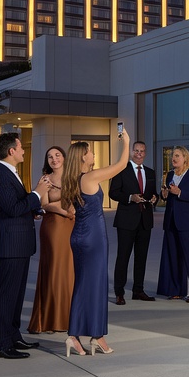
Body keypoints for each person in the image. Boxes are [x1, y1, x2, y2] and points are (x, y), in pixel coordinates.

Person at [61, 133, 131, 356]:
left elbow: (70, 209)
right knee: (96, 286)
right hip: (93, 238)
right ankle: (91, 335)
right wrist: (126, 142)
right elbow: (121, 165)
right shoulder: (89, 178)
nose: (93, 153)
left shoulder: (72, 179)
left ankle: (87, 334)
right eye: (90, 151)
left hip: (79, 236)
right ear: (83, 156)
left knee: (84, 285)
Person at [0, 132, 52, 359]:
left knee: (16, 293)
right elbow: (12, 208)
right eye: (20, 146)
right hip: (10, 244)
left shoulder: (10, 173)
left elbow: (18, 206)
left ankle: (13, 336)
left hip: (19, 243)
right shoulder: (0, 176)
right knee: (6, 294)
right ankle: (1, 345)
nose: (24, 149)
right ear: (11, 151)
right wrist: (37, 193)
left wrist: (34, 207)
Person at [28, 145, 75, 334]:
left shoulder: (74, 177)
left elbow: (80, 200)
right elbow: (44, 205)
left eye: (57, 155)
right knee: (54, 268)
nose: (54, 159)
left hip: (73, 227)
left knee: (70, 269)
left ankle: (70, 317)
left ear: (64, 157)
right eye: (50, 157)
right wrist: (63, 209)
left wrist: (67, 209)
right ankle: (50, 319)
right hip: (53, 228)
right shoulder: (45, 180)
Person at [108, 139, 158, 305]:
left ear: (145, 153)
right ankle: (119, 292)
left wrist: (154, 198)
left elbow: (154, 194)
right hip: (126, 221)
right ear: (131, 152)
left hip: (145, 221)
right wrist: (130, 198)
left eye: (142, 151)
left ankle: (138, 290)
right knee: (123, 257)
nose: (139, 154)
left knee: (141, 258)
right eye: (136, 151)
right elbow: (113, 192)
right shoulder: (121, 170)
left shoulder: (150, 172)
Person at [157, 146, 189, 301]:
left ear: (185, 158)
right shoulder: (170, 175)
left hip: (186, 223)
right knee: (173, 256)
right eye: (172, 156)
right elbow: (168, 197)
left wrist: (180, 193)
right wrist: (164, 195)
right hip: (171, 222)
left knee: (188, 255)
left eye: (177, 156)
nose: (173, 158)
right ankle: (177, 290)